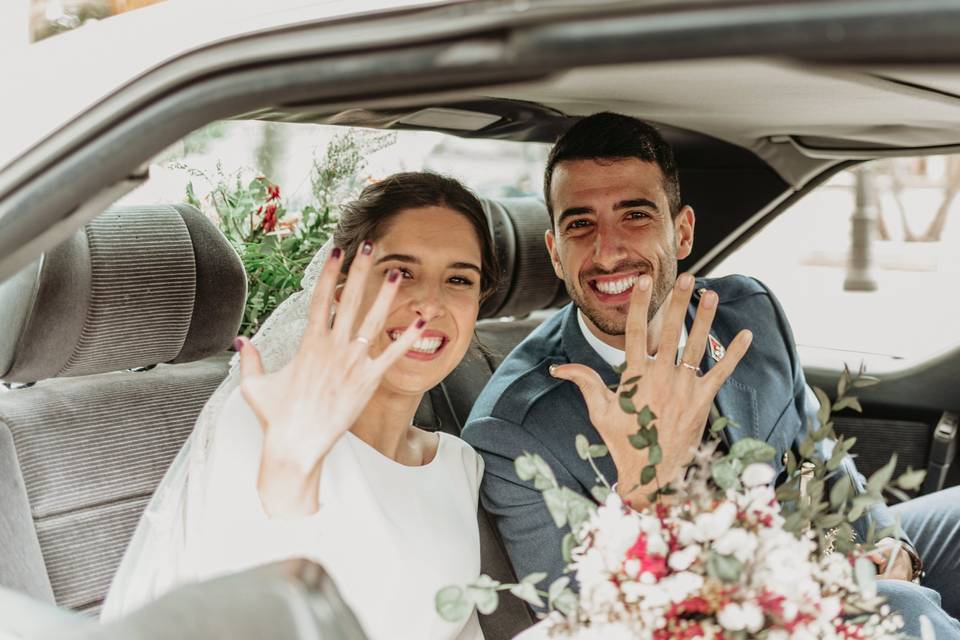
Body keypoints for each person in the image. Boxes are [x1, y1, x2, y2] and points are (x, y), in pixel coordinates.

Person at [462, 113, 960, 637]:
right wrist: (650, 482)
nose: (607, 251)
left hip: (804, 558)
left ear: (682, 233)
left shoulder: (750, 314)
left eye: (635, 216)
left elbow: (820, 462)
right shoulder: (512, 432)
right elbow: (598, 620)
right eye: (580, 224)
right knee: (899, 608)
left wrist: (891, 547)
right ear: (555, 255)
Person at [102, 172, 501, 640]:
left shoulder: (459, 464)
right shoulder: (264, 428)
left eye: (458, 279)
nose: (429, 304)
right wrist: (289, 475)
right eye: (400, 273)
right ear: (340, 289)